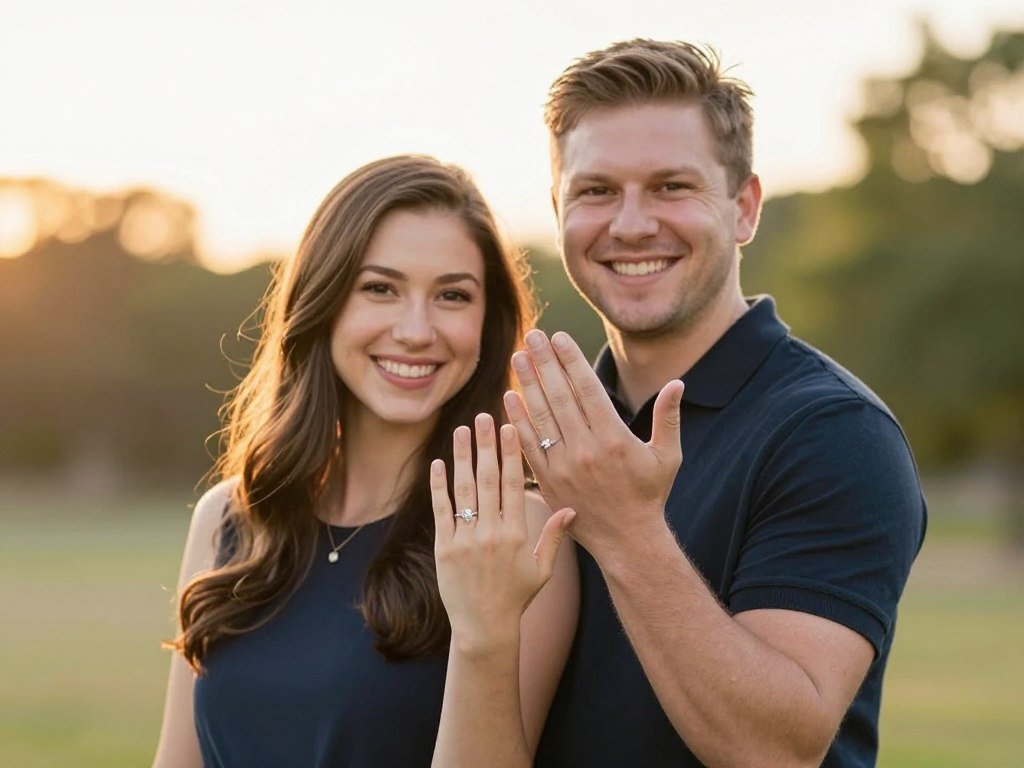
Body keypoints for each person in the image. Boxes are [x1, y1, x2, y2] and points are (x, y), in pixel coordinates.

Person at [502, 40, 927, 767]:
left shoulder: (833, 432)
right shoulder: (545, 425)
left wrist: (625, 530)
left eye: (671, 187)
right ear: (557, 210)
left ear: (744, 208)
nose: (631, 224)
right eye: (595, 191)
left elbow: (775, 750)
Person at [152, 155, 578, 768]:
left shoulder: (519, 533)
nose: (415, 329)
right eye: (380, 288)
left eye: (452, 296)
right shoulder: (229, 518)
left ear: (488, 323)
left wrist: (484, 634)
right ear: (323, 302)